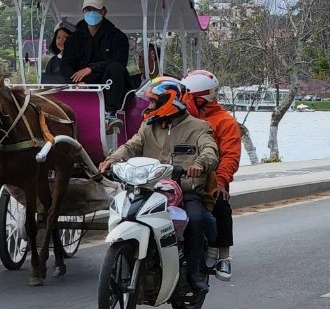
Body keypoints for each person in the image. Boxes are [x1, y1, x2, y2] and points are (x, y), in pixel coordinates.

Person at [98, 77, 218, 293]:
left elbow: (210, 151)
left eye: (154, 102)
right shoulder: (148, 126)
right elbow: (130, 146)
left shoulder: (199, 127)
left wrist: (199, 164)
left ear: (169, 101)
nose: (149, 107)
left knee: (196, 219)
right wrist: (112, 160)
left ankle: (193, 272)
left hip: (186, 191)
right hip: (148, 189)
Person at [182, 69, 241, 283]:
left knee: (221, 204)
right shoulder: (180, 118)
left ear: (202, 99)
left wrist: (222, 180)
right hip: (178, 176)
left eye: (190, 98)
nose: (185, 101)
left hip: (209, 178)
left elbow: (231, 155)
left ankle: (223, 255)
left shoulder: (225, 122)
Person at [60, 0, 131, 127]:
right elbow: (65, 65)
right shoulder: (74, 38)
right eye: (88, 10)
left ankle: (110, 115)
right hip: (82, 86)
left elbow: (120, 61)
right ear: (83, 11)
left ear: (104, 11)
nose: (91, 13)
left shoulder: (118, 37)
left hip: (110, 85)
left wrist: (91, 68)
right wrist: (75, 82)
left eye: (95, 9)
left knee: (115, 67)